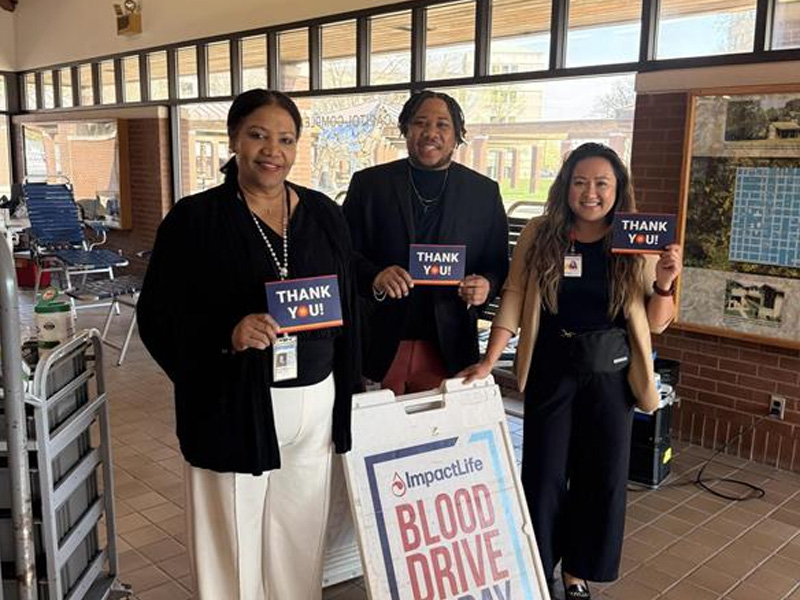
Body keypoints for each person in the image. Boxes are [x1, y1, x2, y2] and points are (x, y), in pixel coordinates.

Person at [137, 89, 359, 600]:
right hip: (232, 401)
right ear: (234, 139)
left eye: (285, 139)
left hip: (315, 401)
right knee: (231, 542)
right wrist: (226, 334)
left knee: (299, 536)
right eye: (258, 135)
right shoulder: (195, 220)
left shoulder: (324, 213)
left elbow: (348, 301)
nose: (271, 150)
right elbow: (158, 315)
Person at [460, 143, 682, 599]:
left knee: (598, 475)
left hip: (611, 374)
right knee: (543, 474)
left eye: (602, 183)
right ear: (566, 186)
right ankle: (538, 566)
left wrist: (663, 281)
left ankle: (576, 572)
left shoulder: (633, 241)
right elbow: (516, 296)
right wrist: (489, 359)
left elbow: (658, 319)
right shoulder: (541, 233)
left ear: (618, 190)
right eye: (581, 182)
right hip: (552, 368)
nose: (591, 192)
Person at [342, 90, 508, 395]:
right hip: (380, 342)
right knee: (376, 436)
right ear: (405, 129)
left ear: (458, 135)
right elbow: (342, 254)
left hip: (449, 344)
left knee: (437, 439)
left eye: (443, 125)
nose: (431, 132)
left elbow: (497, 263)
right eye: (420, 122)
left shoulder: (483, 192)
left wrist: (486, 284)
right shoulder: (369, 185)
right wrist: (375, 276)